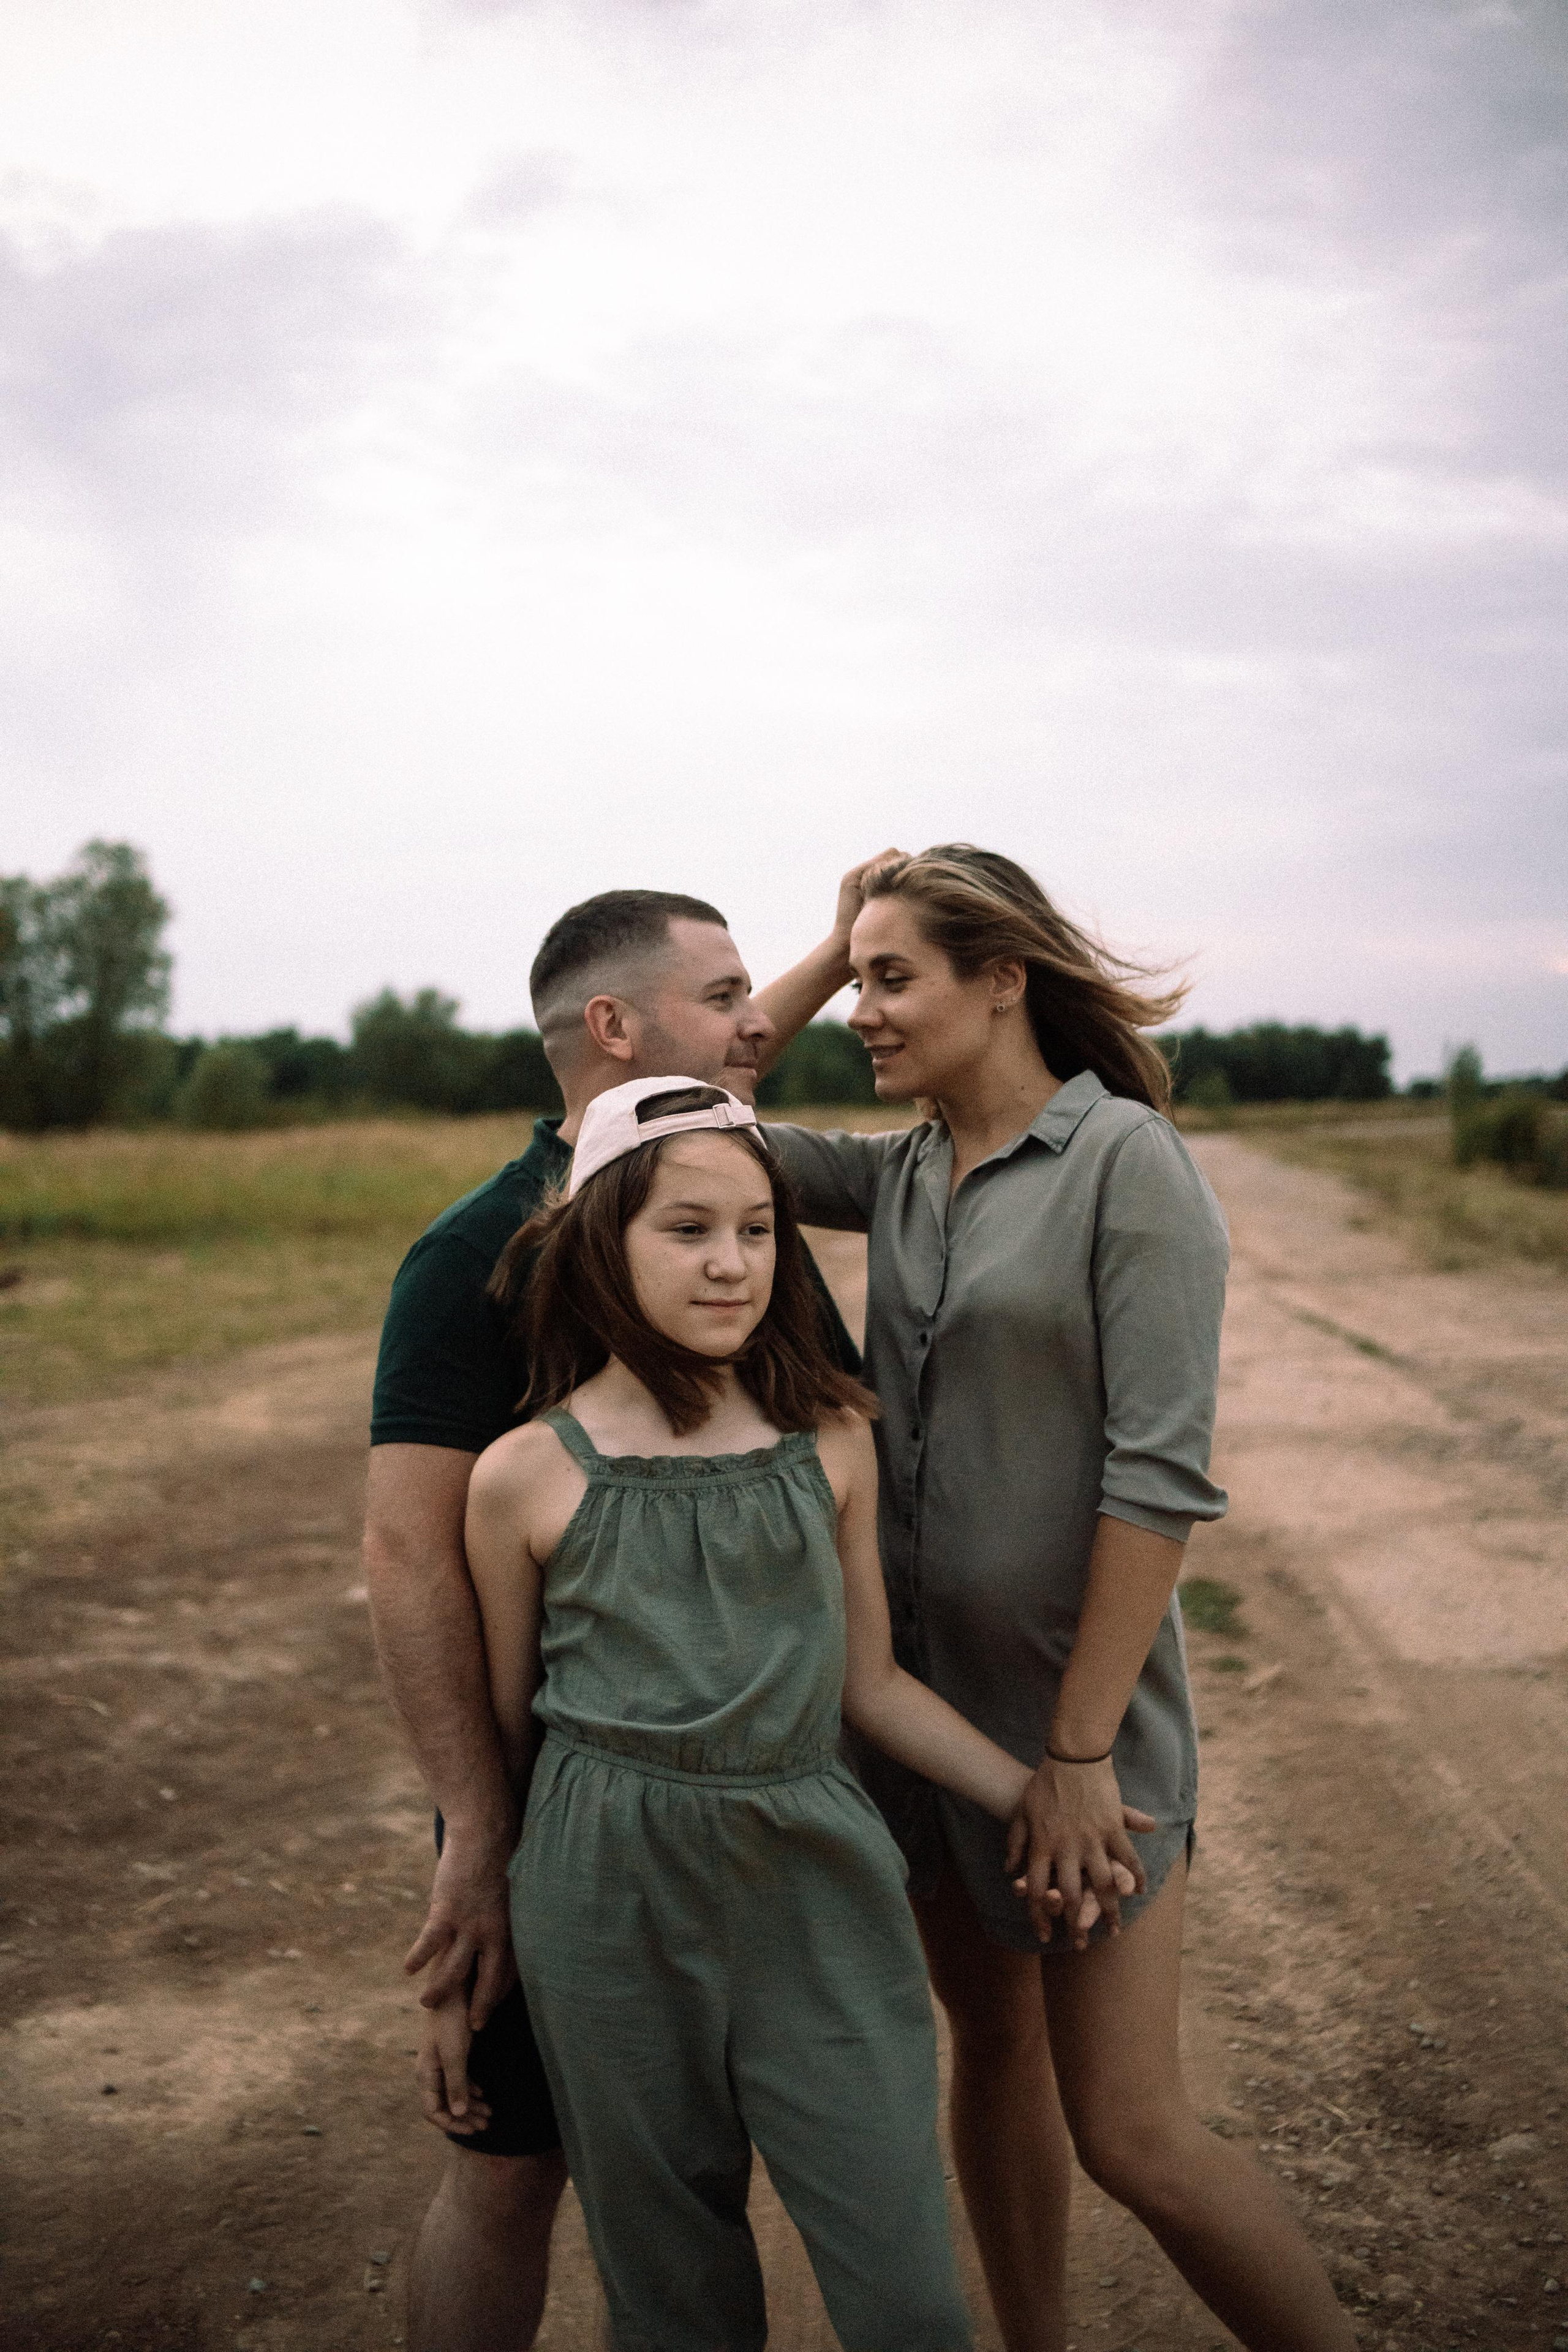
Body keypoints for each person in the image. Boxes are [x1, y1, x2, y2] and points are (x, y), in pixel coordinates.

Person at [426, 1078, 1142, 2352]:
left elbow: (870, 1685)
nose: (731, 1264)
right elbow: (506, 1747)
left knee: (907, 2289)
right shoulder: (519, 1478)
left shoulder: (830, 1438)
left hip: (811, 1877)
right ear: (602, 1239)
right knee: (669, 2291)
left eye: (758, 1229)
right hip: (602, 1896)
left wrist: (1030, 1790)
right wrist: (478, 1941)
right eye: (687, 1230)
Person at [765, 846, 1357, 2352]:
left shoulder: (1124, 1165)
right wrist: (834, 944)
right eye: (860, 984)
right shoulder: (895, 1169)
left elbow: (1157, 1481)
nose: (863, 1013)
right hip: (923, 1725)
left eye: (894, 981)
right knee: (995, 2052)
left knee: (1132, 2132)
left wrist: (1079, 1756)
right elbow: (693, 1112)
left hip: (1078, 1736)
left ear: (1003, 980)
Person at [362, 872, 886, 2352]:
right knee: (512, 2171)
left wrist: (843, 947)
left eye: (750, 1002)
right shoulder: (478, 1252)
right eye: (725, 1005)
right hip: (567, 1817)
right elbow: (407, 1556)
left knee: (808, 2155)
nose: (760, 1030)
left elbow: (709, 1075)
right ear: (611, 1027)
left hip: (777, 1795)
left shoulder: (726, 1201)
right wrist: (478, 1829)